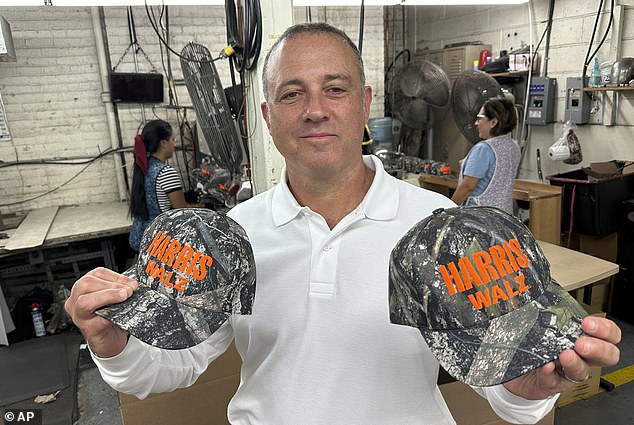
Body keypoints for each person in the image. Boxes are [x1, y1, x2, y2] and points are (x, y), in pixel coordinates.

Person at [65, 23, 621, 424]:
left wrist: (526, 391)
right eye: (291, 93)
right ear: (267, 117)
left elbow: (504, 388)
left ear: (364, 103)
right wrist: (115, 345)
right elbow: (168, 370)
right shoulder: (233, 237)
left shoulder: (438, 230)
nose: (315, 109)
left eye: (335, 88)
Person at [128, 119, 194, 252]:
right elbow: (183, 213)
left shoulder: (144, 168)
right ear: (163, 143)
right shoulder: (166, 172)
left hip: (140, 238)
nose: (174, 145)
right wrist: (203, 208)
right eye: (173, 140)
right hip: (160, 244)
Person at [451, 97, 520, 214]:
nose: (476, 123)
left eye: (479, 119)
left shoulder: (483, 149)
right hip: (504, 216)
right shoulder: (513, 146)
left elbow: (468, 186)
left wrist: (449, 209)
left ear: (493, 122)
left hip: (479, 217)